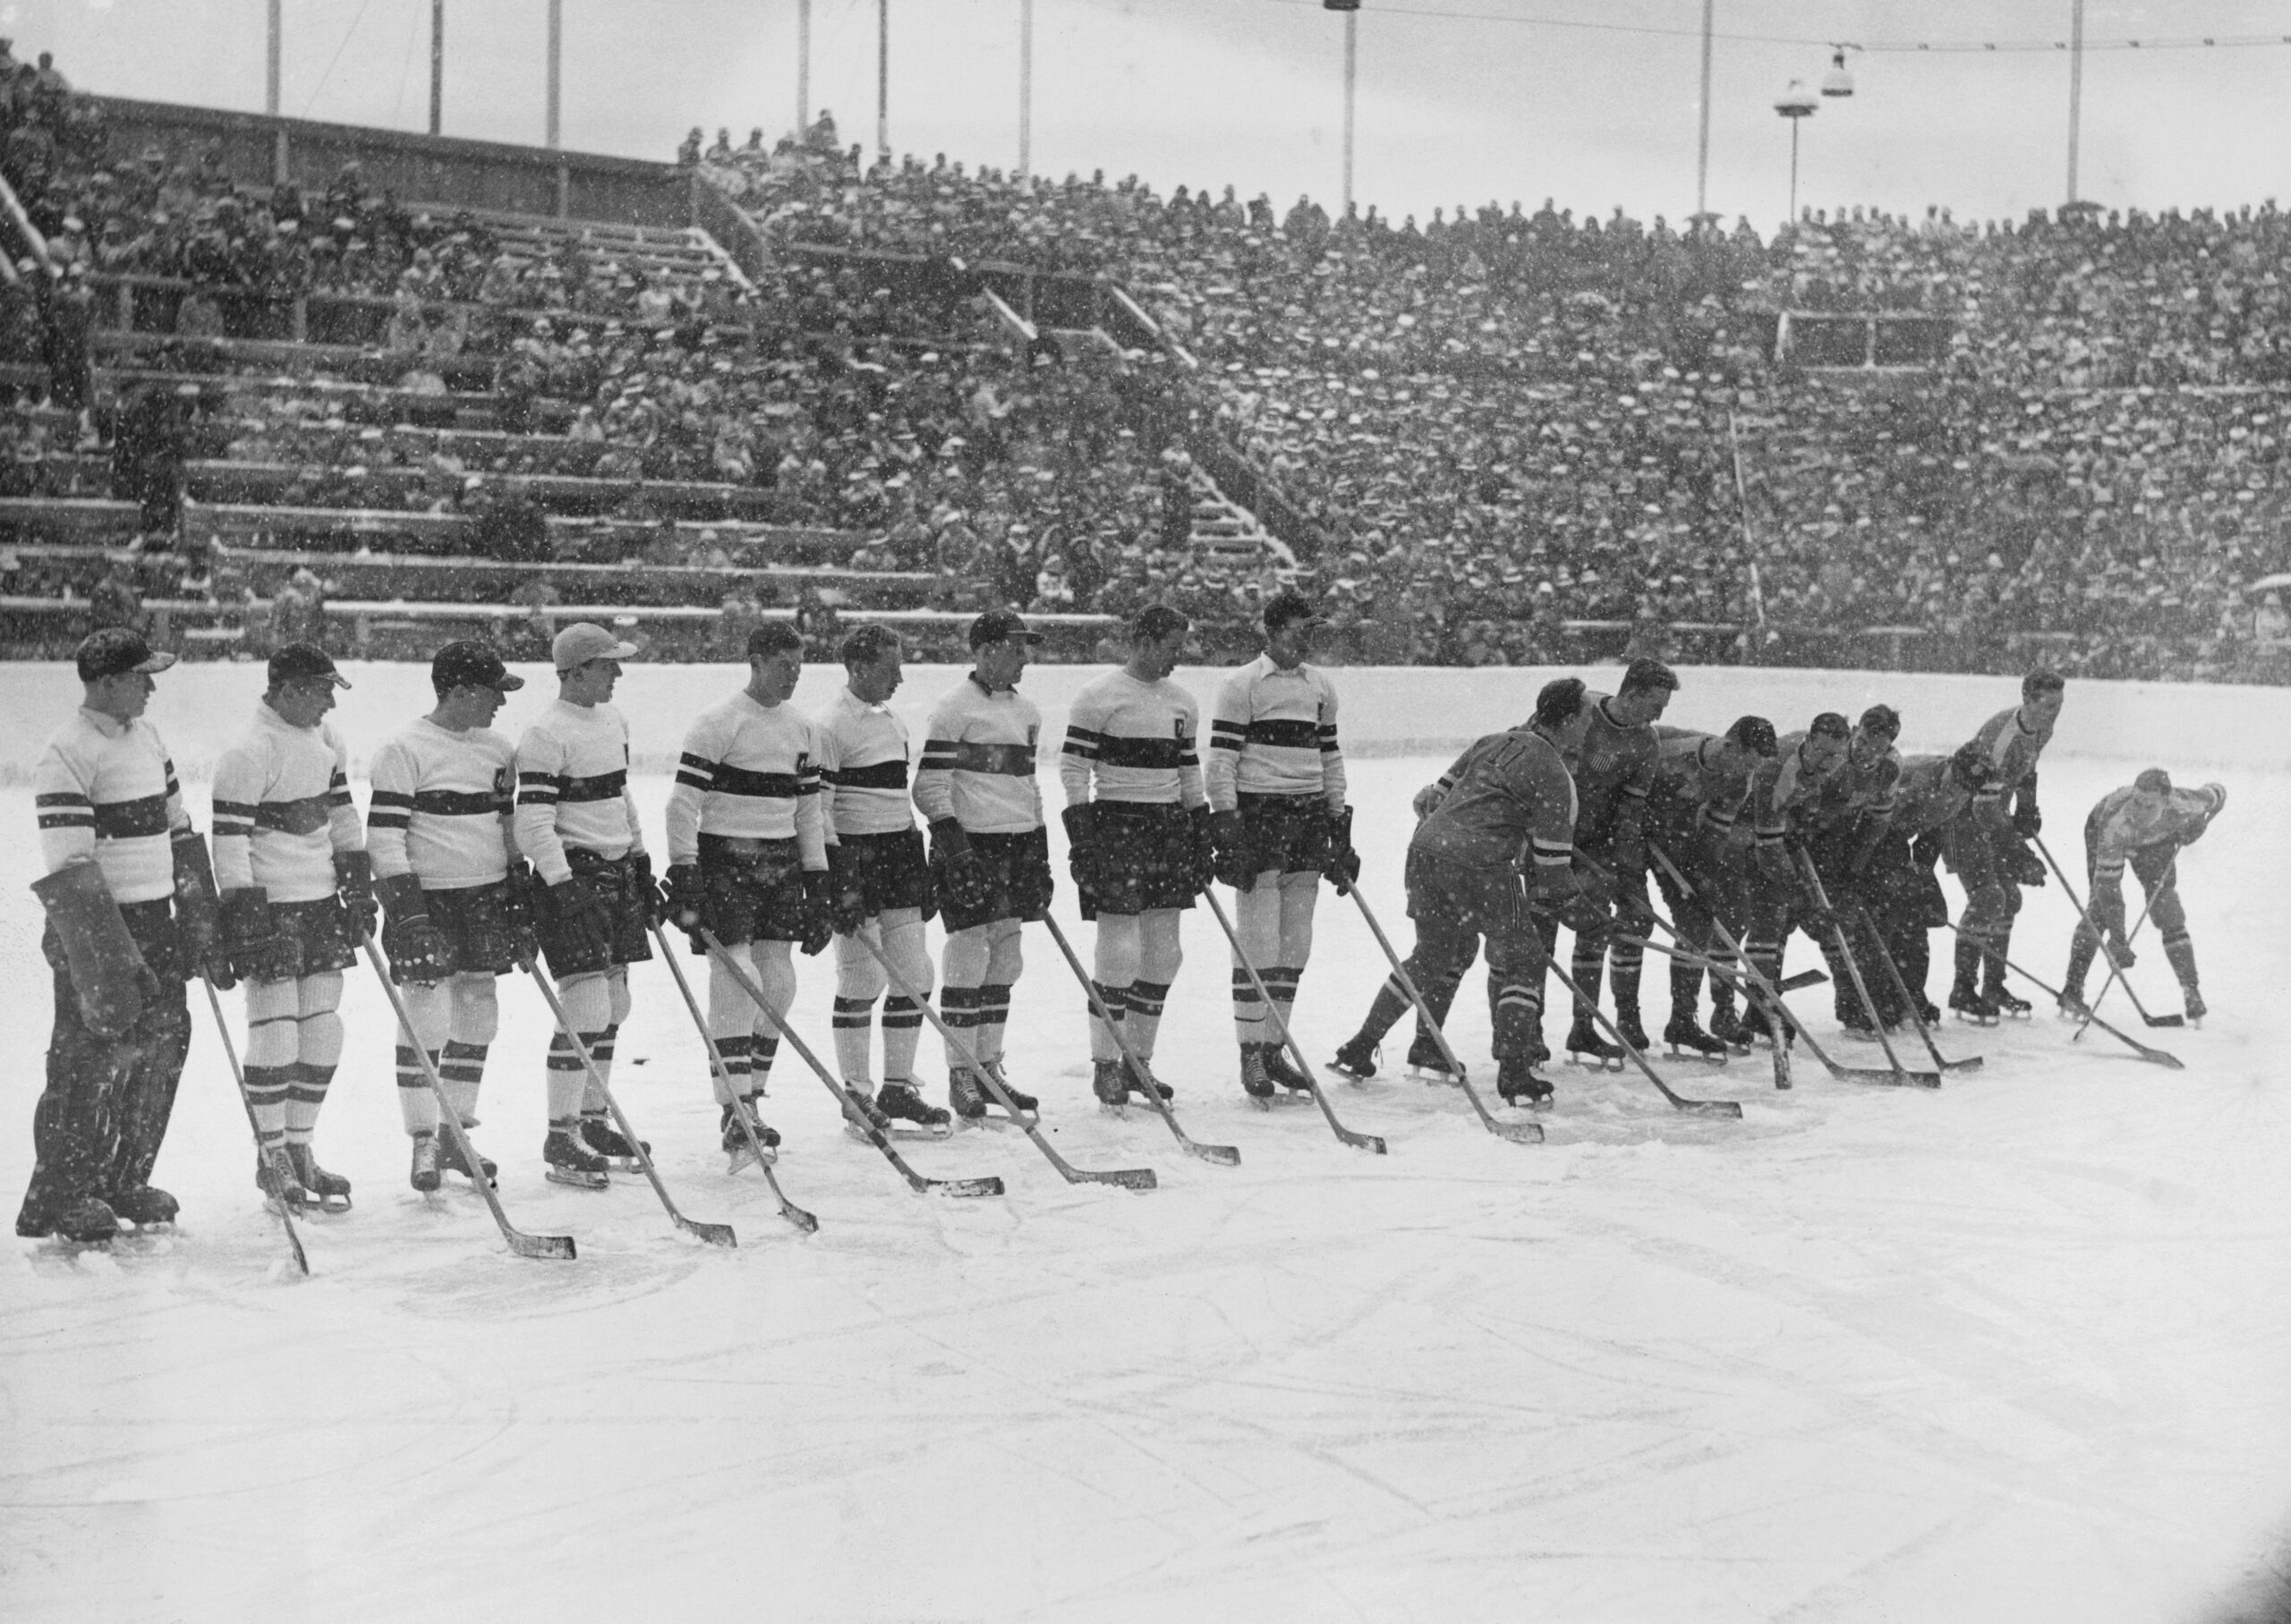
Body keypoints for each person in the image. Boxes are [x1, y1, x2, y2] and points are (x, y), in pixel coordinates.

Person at [18, 630, 224, 1245]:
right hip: (98, 930)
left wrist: (199, 917)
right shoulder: (68, 751)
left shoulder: (149, 738)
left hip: (157, 920)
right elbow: (71, 864)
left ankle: (123, 1177)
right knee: (88, 1064)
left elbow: (178, 825)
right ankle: (64, 1195)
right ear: (107, 682)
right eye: (141, 676)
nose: (152, 686)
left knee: (161, 1052)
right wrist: (107, 955)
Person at [1332, 678, 1606, 1106]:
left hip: (1425, 851)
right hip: (1481, 866)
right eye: (1587, 718)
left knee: (1435, 956)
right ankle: (1515, 1073)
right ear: (1568, 720)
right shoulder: (1555, 775)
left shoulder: (1492, 741)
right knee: (1523, 962)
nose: (1591, 726)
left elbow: (1429, 800)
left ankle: (1360, 1045)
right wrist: (1587, 916)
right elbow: (1553, 877)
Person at [662, 622, 834, 1161]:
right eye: (785, 665)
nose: (793, 676)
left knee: (778, 984)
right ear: (756, 662)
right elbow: (681, 806)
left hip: (780, 864)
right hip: (724, 863)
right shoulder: (719, 722)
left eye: (800, 666)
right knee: (740, 978)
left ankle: (752, 1097)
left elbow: (809, 811)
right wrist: (685, 870)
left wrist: (818, 879)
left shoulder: (803, 728)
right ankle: (733, 1108)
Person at [209, 643, 370, 1212]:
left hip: (322, 903)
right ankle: (270, 1153)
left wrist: (358, 882)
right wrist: (246, 922)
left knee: (323, 1029)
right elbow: (228, 846)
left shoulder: (328, 742)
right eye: (324, 689)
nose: (330, 701)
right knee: (276, 1032)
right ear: (291, 690)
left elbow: (343, 815)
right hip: (272, 910)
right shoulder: (248, 752)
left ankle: (300, 1148)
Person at [368, 641, 527, 1193]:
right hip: (427, 898)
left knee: (479, 1011)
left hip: (485, 894)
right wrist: (408, 913)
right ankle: (423, 1140)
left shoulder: (500, 749)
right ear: (459, 692)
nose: (500, 705)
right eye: (491, 693)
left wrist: (519, 888)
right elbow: (384, 838)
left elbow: (507, 828)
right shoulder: (403, 748)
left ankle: (457, 1131)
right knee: (427, 1013)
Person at [515, 623, 658, 1188]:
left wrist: (642, 862)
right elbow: (532, 823)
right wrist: (562, 881)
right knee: (588, 1005)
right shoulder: (546, 734)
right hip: (574, 877)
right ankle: (560, 1132)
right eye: (606, 665)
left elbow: (620, 795)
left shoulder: (612, 722)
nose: (617, 674)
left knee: (616, 1002)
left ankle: (593, 1120)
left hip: (618, 871)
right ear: (573, 672)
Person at [1205, 589, 1357, 1099]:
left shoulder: (1320, 687)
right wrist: (1226, 823)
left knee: (1296, 941)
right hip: (1260, 818)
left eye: (1313, 630)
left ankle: (1275, 1047)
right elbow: (1222, 761)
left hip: (1308, 818)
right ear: (1271, 632)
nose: (1307, 640)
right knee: (1258, 941)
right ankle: (1250, 1052)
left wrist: (1339, 822)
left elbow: (1330, 759)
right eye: (1299, 630)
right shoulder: (1242, 684)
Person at [1060, 604, 1209, 1109]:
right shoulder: (1097, 696)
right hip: (1116, 827)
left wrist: (1200, 830)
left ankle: (1137, 1062)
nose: (1178, 656)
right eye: (1171, 646)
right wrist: (1082, 837)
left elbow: (1189, 773)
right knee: (1119, 952)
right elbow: (1074, 770)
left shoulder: (1182, 703)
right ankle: (1106, 1062)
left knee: (1165, 954)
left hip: (1167, 829)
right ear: (1144, 642)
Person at [911, 609, 1052, 1123]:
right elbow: (929, 787)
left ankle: (990, 1066)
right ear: (986, 649)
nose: (1024, 658)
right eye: (1016, 647)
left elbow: (1028, 786)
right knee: (969, 955)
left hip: (1015, 846)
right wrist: (956, 849)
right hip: (970, 846)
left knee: (1007, 958)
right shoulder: (952, 709)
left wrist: (1040, 851)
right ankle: (961, 1073)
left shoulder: (1029, 712)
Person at [817, 625, 950, 1134]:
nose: (901, 676)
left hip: (899, 855)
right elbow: (818, 811)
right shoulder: (829, 726)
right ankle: (857, 1094)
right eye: (891, 667)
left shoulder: (891, 721)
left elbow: (896, 799)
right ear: (859, 668)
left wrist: (918, 863)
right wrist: (840, 879)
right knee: (862, 976)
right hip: (855, 859)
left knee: (915, 973)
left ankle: (898, 1090)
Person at [1554, 657, 1678, 1062]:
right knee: (1545, 932)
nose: (1660, 715)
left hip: (1599, 842)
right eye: (1655, 705)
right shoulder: (1581, 711)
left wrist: (1625, 869)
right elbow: (1538, 757)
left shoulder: (1647, 741)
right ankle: (1527, 1034)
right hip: (1551, 835)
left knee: (1622, 922)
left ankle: (1605, 1022)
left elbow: (1631, 809)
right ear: (1633, 693)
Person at [1639, 716, 1776, 1056]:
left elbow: (1715, 833)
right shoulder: (1667, 750)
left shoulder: (1738, 780)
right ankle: (1623, 1017)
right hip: (1626, 830)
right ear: (1730, 745)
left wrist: (1702, 877)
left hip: (1676, 836)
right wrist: (1630, 832)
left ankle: (1682, 1021)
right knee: (1632, 919)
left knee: (1696, 921)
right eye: (1748, 761)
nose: (1748, 771)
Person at [1943, 669, 2065, 1021]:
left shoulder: (2043, 726)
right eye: (2049, 705)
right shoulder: (2002, 737)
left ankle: (1993, 985)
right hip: (1965, 816)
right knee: (1987, 897)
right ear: (2028, 699)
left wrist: (2026, 809)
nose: (2055, 713)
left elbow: (2028, 770)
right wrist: (2017, 848)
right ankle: (1962, 989)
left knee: (2009, 898)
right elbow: (1981, 808)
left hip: (1995, 814)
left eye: (2060, 705)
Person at [2060, 769, 2227, 1024]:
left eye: (2149, 805)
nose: (2139, 809)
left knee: (2166, 907)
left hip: (2156, 842)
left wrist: (2201, 823)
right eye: (2136, 801)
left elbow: (2218, 793)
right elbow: (2110, 892)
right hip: (2103, 833)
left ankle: (2191, 991)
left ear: (2166, 800)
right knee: (2100, 910)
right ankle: (2072, 989)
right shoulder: (2114, 823)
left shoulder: (2184, 803)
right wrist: (2118, 940)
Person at [1859, 742, 1997, 1027]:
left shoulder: (1963, 788)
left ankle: (1909, 993)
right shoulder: (1918, 779)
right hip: (1875, 838)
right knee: (1886, 915)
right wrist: (1895, 871)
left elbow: (1936, 830)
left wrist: (1920, 871)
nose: (1959, 792)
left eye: (1967, 789)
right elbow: (1880, 822)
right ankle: (1876, 996)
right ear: (1951, 766)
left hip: (1903, 840)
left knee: (1920, 914)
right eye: (1958, 783)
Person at [1735, 712, 1853, 1042]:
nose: (1830, 763)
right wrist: (1797, 892)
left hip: (1776, 829)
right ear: (1809, 742)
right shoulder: (1777, 770)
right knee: (1770, 911)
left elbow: (1811, 800)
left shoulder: (1829, 762)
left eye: (1837, 755)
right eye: (1823, 753)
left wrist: (1802, 825)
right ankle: (1760, 1008)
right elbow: (1768, 847)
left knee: (1786, 915)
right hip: (1740, 828)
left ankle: (1763, 1002)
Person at [1795, 704, 1904, 1033]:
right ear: (1855, 730)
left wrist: (1854, 868)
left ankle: (1852, 1003)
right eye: (1864, 739)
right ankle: (1760, 1011)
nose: (1867, 749)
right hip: (1799, 835)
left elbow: (1876, 824)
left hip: (1838, 839)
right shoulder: (1833, 757)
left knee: (1840, 923)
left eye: (1878, 744)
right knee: (1792, 919)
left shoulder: (1890, 769)